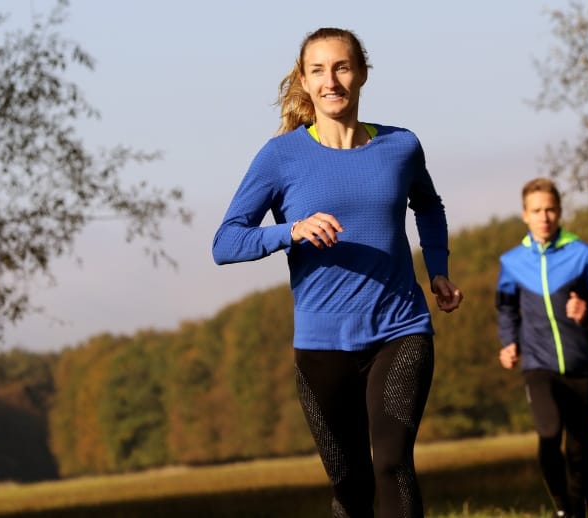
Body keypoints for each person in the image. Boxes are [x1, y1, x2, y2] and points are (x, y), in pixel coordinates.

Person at [212, 27, 463, 518]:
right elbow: (226, 242)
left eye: (342, 67)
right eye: (318, 70)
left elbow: (428, 206)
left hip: (401, 328)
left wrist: (438, 270)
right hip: (322, 343)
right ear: (304, 82)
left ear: (363, 74)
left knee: (392, 464)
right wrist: (290, 231)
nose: (332, 81)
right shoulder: (280, 156)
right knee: (350, 484)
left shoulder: (401, 145)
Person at [495, 178, 588, 518]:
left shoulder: (582, 254)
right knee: (549, 435)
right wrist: (509, 342)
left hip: (583, 366)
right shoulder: (512, 262)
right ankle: (564, 510)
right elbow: (506, 309)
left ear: (560, 211)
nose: (544, 217)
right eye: (537, 211)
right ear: (525, 215)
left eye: (550, 209)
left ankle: (579, 513)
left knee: (579, 450)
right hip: (538, 365)